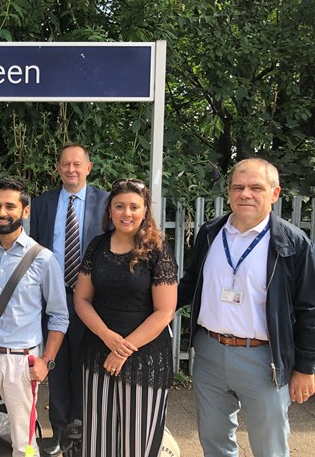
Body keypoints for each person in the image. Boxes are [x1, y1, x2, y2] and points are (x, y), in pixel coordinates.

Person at [178, 158, 315, 457]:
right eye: (238, 187)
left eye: (256, 188)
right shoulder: (210, 233)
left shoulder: (294, 243)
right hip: (210, 354)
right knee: (214, 441)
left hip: (264, 359)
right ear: (228, 192)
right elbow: (189, 286)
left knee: (270, 447)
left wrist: (305, 368)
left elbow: (309, 310)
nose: (246, 194)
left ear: (275, 194)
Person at [0, 178, 69, 457]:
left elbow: (59, 317)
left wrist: (46, 361)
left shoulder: (44, 260)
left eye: (10, 206)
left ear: (25, 212)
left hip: (21, 361)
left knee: (25, 442)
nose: (2, 212)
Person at [73, 178, 178, 457]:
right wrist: (107, 337)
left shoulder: (158, 250)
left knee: (137, 445)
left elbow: (164, 311)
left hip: (145, 359)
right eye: (119, 206)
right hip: (98, 354)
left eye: (134, 206)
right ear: (110, 210)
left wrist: (122, 350)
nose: (126, 213)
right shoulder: (97, 246)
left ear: (145, 211)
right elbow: (82, 299)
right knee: (98, 441)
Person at [29, 142, 109, 455]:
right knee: (57, 365)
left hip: (93, 300)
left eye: (77, 164)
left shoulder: (106, 203)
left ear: (89, 167)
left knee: (88, 366)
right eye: (65, 164)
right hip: (54, 298)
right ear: (58, 168)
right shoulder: (43, 203)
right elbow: (33, 251)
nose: (71, 170)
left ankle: (85, 433)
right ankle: (61, 435)